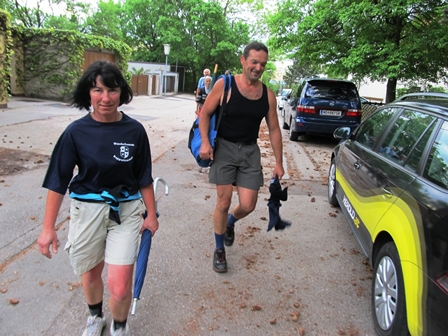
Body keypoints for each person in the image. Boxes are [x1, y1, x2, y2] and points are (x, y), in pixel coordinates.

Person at [37, 60, 159, 336]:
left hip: (125, 211)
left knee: (119, 285)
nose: (106, 98)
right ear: (88, 93)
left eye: (112, 90)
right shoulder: (75, 133)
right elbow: (58, 181)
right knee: (91, 274)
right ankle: (95, 317)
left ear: (121, 92)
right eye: (97, 90)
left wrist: (151, 215)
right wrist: (48, 228)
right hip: (87, 211)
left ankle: (119, 326)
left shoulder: (135, 131)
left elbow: (143, 177)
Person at [198, 41, 284, 273]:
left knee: (248, 204)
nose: (258, 67)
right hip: (224, 148)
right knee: (224, 201)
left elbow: (274, 129)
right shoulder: (224, 85)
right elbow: (204, 113)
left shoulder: (268, 95)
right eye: (254, 62)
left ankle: (229, 223)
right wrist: (205, 142)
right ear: (243, 60)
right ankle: (219, 250)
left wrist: (278, 162)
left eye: (263, 64)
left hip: (249, 151)